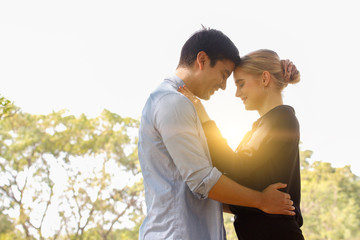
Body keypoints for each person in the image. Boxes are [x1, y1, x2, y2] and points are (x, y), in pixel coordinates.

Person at [138, 28, 295, 240]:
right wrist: (261, 201)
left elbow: (203, 188)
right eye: (224, 75)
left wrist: (260, 203)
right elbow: (203, 181)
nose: (224, 87)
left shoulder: (182, 104)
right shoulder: (172, 102)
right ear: (202, 60)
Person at [179, 49, 304, 239]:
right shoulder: (263, 126)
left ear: (264, 78)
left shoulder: (281, 119)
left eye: (241, 84)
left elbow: (236, 168)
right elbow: (247, 184)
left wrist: (203, 116)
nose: (237, 93)